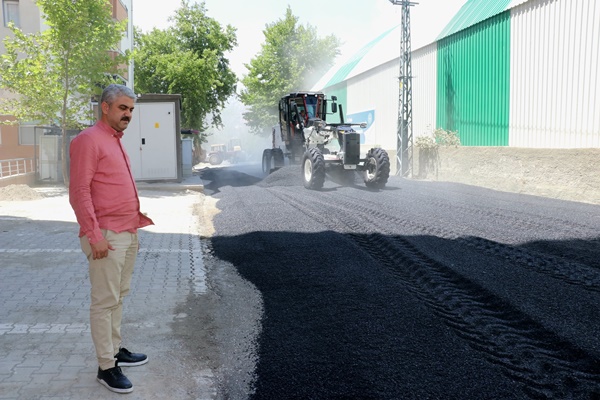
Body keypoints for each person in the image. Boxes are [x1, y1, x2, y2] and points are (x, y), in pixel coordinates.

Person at [69, 83, 154, 394]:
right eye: (122, 108)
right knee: (104, 302)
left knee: (118, 296)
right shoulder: (88, 141)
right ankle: (106, 367)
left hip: (126, 232)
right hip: (104, 236)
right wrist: (94, 236)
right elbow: (79, 193)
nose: (128, 114)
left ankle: (115, 349)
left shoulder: (115, 140)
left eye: (131, 109)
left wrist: (132, 227)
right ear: (105, 107)